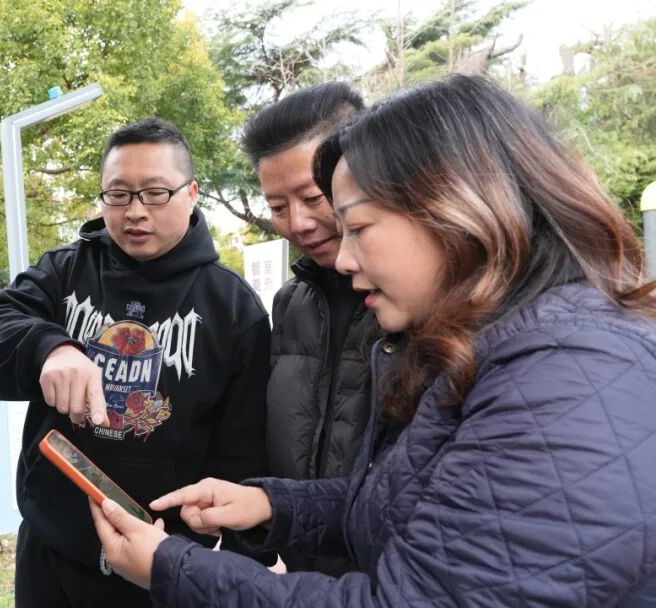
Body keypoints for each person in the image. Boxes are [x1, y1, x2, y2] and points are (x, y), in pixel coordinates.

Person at [89, 75, 656, 606]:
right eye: (279, 207)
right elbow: (411, 501)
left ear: (458, 206)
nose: (342, 256)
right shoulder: (493, 343)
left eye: (356, 226)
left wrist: (171, 567)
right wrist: (274, 504)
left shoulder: (564, 374)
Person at [0, 117, 271, 607]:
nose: (135, 211)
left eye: (154, 193)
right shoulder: (65, 270)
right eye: (118, 194)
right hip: (52, 547)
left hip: (161, 563)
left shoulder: (233, 308)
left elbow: (244, 452)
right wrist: (49, 347)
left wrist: (234, 564)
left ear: (192, 193)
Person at [242, 82, 376, 574]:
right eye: (278, 208)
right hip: (303, 569)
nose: (297, 224)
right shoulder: (290, 303)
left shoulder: (416, 303)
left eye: (313, 198)